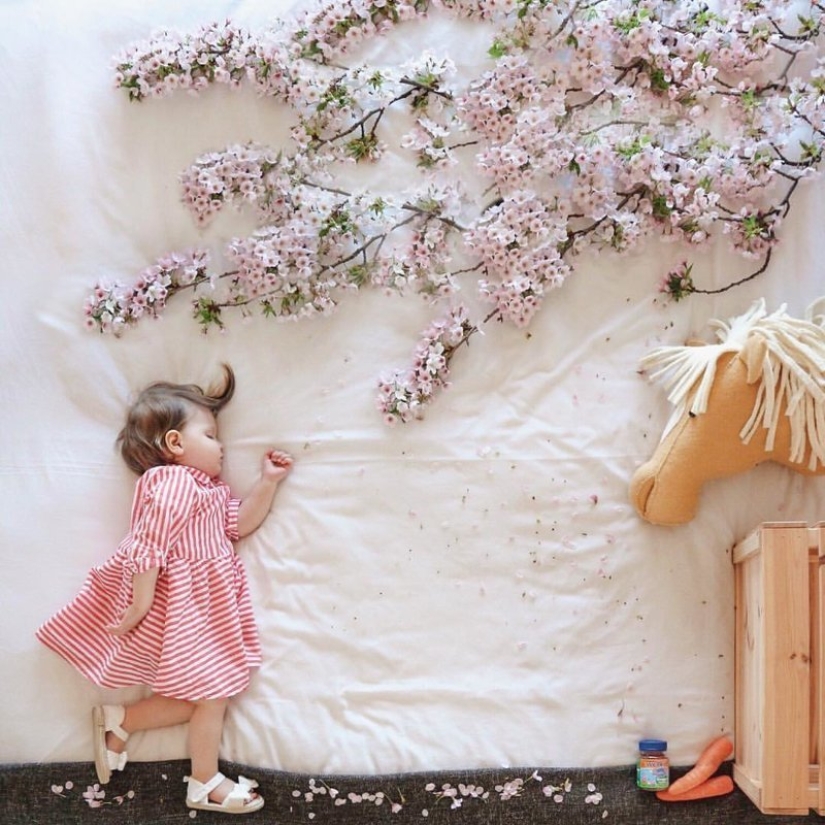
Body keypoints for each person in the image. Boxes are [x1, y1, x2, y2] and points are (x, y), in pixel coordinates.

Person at [36, 365, 292, 815]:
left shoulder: (208, 491)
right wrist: (141, 600)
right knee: (213, 695)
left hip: (209, 608)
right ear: (175, 444)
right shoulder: (172, 483)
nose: (222, 446)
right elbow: (147, 542)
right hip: (189, 608)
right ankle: (203, 781)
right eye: (210, 435)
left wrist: (267, 483)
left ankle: (123, 721)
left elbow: (239, 524)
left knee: (210, 694)